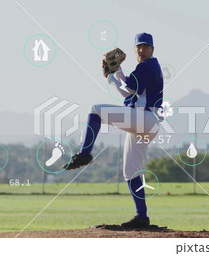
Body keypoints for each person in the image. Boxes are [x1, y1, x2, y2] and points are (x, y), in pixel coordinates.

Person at [64, 32, 163, 228]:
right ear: (135, 50)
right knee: (130, 171)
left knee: (95, 110)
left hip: (146, 118)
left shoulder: (149, 65)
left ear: (152, 49)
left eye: (145, 46)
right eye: (139, 47)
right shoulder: (143, 68)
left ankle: (85, 154)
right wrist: (112, 75)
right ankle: (141, 217)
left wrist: (117, 70)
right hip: (143, 121)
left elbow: (130, 86)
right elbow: (126, 92)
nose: (142, 50)